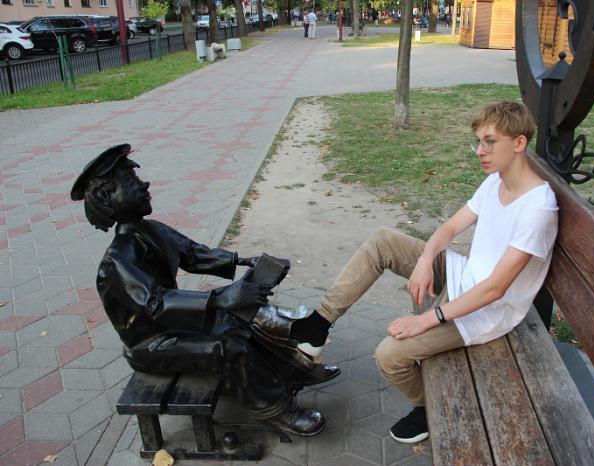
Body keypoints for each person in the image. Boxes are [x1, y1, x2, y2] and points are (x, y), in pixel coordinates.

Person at [288, 101, 559, 443]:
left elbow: (495, 289)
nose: (480, 151)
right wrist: (424, 259)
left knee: (389, 356)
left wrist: (427, 319)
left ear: (519, 143)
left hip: (486, 312)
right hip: (464, 277)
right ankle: (318, 324)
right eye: (478, 141)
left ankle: (429, 407)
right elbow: (450, 228)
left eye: (490, 142)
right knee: (383, 241)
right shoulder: (496, 181)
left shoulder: (537, 209)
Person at [70, 144, 340, 437]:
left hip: (173, 325)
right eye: (131, 181)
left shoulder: (151, 230)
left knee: (243, 318)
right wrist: (220, 299)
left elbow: (192, 253)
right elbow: (157, 303)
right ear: (106, 197)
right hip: (152, 344)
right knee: (228, 345)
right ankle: (275, 408)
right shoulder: (118, 261)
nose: (144, 184)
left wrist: (243, 261)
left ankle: (291, 372)